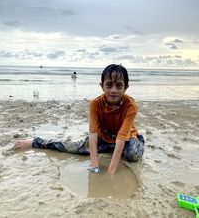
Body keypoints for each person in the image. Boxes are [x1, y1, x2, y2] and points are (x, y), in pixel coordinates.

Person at [14, 64, 144, 175]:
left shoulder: (130, 106)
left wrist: (110, 173)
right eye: (109, 85)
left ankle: (135, 143)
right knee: (74, 147)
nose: (114, 90)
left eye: (119, 86)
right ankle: (35, 142)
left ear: (126, 87)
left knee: (133, 154)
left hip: (126, 139)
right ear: (102, 86)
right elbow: (93, 136)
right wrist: (95, 166)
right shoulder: (95, 104)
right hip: (102, 138)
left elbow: (121, 140)